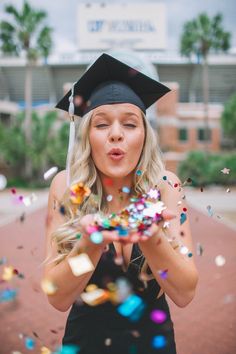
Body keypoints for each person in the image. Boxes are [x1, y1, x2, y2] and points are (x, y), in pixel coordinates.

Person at [43, 53, 199, 354]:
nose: (116, 134)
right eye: (101, 125)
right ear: (87, 135)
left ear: (145, 135)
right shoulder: (65, 186)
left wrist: (153, 238)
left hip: (155, 344)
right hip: (84, 345)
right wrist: (89, 244)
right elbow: (57, 297)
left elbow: (185, 292)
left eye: (129, 124)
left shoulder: (165, 186)